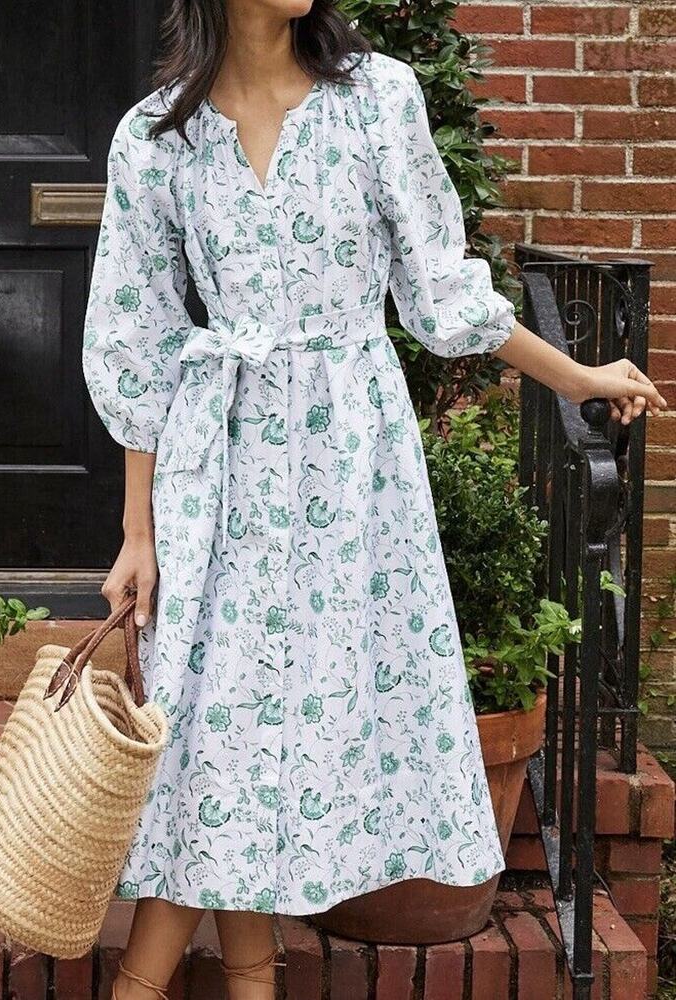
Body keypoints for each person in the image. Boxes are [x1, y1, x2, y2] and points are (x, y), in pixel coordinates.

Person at [81, 2, 666, 998]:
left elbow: (439, 291)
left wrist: (573, 377)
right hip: (213, 468)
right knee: (208, 726)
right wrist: (137, 533)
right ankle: (206, 976)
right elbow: (133, 338)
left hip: (348, 471)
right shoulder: (154, 137)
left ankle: (220, 976)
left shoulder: (376, 101)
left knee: (252, 730)